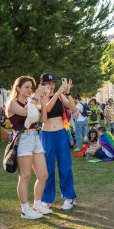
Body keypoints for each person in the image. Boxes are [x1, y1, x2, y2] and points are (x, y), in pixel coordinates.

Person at [5, 75, 50, 219]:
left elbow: (43, 120)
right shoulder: (12, 103)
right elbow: (25, 113)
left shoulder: (31, 101)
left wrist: (42, 103)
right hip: (22, 138)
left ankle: (37, 204)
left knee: (43, 175)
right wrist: (36, 96)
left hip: (35, 137)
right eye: (27, 87)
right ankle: (25, 209)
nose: (30, 90)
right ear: (18, 88)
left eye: (31, 87)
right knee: (25, 176)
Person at [39, 73, 77, 211]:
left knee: (65, 166)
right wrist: (57, 93)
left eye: (53, 83)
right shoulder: (38, 97)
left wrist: (68, 93)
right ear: (42, 84)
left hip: (61, 133)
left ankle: (69, 197)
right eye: (48, 83)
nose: (51, 85)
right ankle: (47, 199)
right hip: (47, 135)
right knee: (47, 168)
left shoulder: (60, 95)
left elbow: (72, 108)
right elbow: (47, 109)